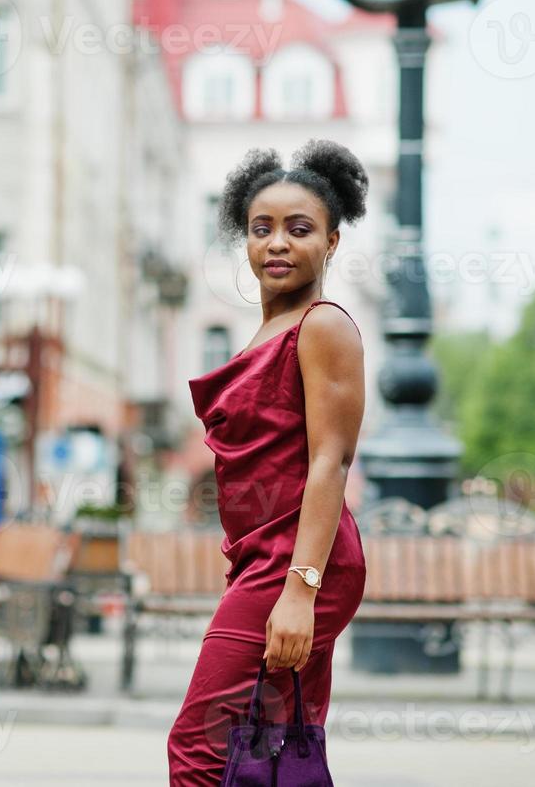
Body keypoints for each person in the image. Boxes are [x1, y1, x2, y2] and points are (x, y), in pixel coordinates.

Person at [167, 140, 369, 785]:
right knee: (273, 753)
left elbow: (330, 462)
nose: (277, 243)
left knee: (199, 747)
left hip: (299, 562)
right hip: (265, 559)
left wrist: (299, 591)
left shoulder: (323, 326)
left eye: (299, 228)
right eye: (263, 228)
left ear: (332, 242)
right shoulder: (266, 329)